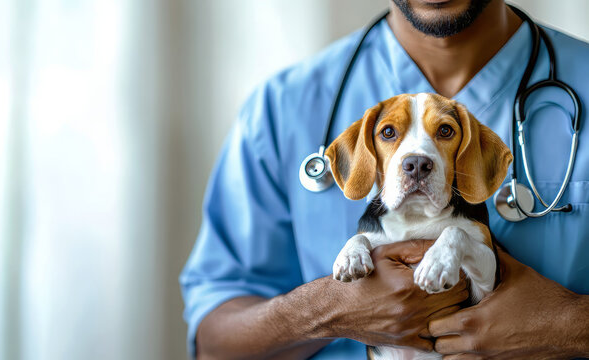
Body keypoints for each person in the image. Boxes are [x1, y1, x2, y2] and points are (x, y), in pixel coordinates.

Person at [180, 0, 589, 358]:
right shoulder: (282, 107)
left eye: (444, 132)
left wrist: (567, 325)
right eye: (389, 135)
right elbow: (214, 347)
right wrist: (329, 310)